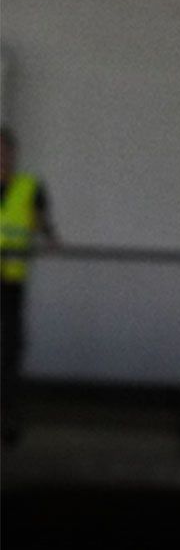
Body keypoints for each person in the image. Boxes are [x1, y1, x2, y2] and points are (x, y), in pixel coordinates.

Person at [0, 127, 58, 445]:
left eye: (5, 151)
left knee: (10, 349)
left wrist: (49, 236)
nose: (2, 158)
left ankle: (9, 417)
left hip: (11, 280)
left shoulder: (29, 187)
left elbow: (41, 220)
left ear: (13, 154)